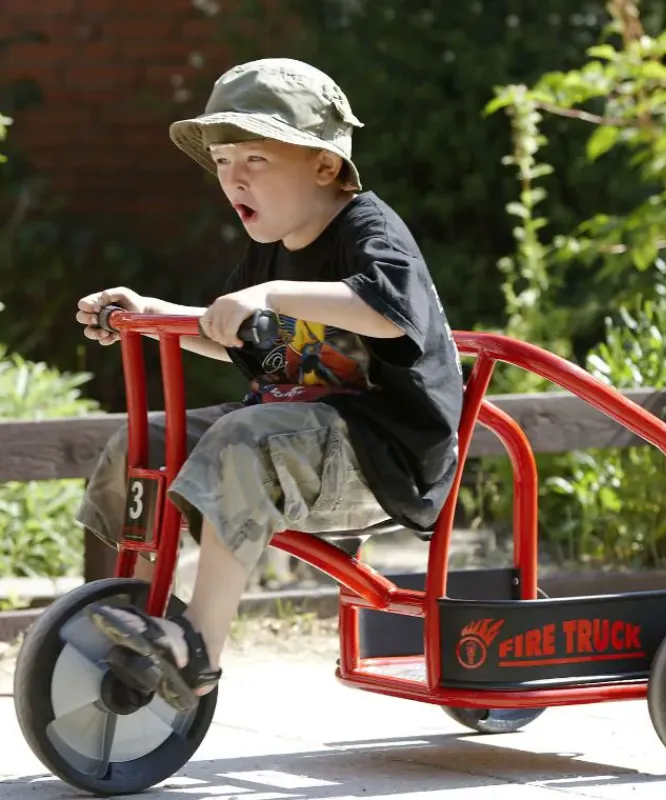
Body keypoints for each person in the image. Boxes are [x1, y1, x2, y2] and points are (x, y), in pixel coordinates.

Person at [75, 58, 464, 711]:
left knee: (239, 441)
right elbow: (237, 335)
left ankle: (194, 651)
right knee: (145, 441)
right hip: (293, 437)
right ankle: (136, 609)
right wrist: (150, 314)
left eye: (254, 158)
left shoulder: (369, 231)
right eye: (223, 161)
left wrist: (269, 293)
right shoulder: (273, 249)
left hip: (381, 458)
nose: (231, 177)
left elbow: (390, 313)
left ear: (324, 166)